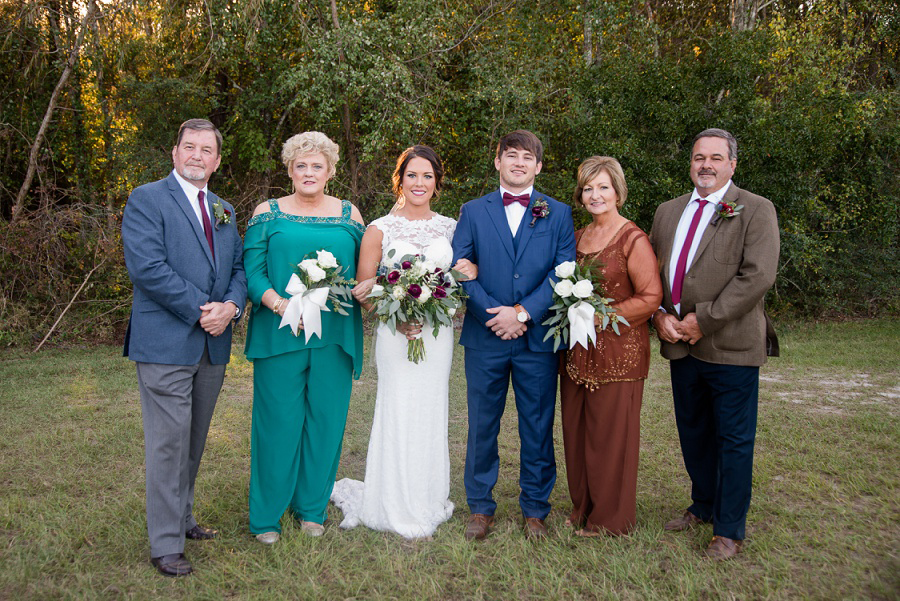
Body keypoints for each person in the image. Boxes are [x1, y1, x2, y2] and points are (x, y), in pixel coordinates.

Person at [330, 145, 476, 539]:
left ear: (437, 184)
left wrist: (466, 271)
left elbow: (466, 270)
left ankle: (427, 497)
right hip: (395, 333)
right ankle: (389, 498)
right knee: (397, 405)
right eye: (412, 175)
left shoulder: (451, 227)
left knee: (431, 406)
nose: (419, 183)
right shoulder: (380, 227)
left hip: (438, 332)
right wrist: (397, 313)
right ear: (400, 179)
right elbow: (363, 285)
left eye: (427, 176)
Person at [122, 118, 247, 577]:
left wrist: (231, 306)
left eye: (206, 149)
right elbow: (148, 268)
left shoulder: (225, 209)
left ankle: (183, 517)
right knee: (168, 444)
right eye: (189, 147)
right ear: (175, 152)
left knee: (192, 441)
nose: (197, 155)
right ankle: (165, 544)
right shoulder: (148, 198)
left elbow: (239, 267)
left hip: (213, 345)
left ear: (216, 159)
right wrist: (203, 309)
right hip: (166, 343)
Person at [649, 128, 780, 560]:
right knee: (694, 432)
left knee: (734, 439)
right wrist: (658, 316)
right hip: (679, 345)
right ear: (690, 162)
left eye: (716, 157)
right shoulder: (667, 212)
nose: (706, 164)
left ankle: (728, 529)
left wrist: (702, 320)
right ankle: (702, 505)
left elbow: (756, 277)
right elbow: (651, 275)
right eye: (698, 157)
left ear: (732, 164)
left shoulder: (755, 210)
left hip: (731, 345)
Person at [451, 130, 576, 540]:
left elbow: (563, 271)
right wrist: (495, 314)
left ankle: (536, 508)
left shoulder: (556, 212)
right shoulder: (472, 210)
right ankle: (480, 507)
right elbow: (461, 266)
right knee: (482, 424)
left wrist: (522, 313)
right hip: (485, 335)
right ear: (498, 162)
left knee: (536, 424)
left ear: (538, 166)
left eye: (527, 157)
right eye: (511, 155)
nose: (519, 163)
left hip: (536, 339)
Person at [242, 131, 365, 544]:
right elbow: (253, 271)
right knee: (277, 422)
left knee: (325, 422)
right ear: (290, 170)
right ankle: (266, 516)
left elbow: (365, 271)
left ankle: (311, 508)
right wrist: (281, 304)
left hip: (334, 334)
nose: (308, 172)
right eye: (301, 166)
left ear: (330, 171)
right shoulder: (268, 212)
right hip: (280, 332)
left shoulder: (351, 215)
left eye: (317, 166)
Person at [559, 156, 662, 537]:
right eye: (588, 188)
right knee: (577, 431)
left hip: (619, 353)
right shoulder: (577, 237)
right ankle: (583, 506)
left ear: (617, 191)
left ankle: (611, 519)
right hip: (576, 353)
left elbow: (651, 296)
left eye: (603, 187)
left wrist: (602, 317)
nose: (595, 194)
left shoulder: (632, 238)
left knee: (610, 436)